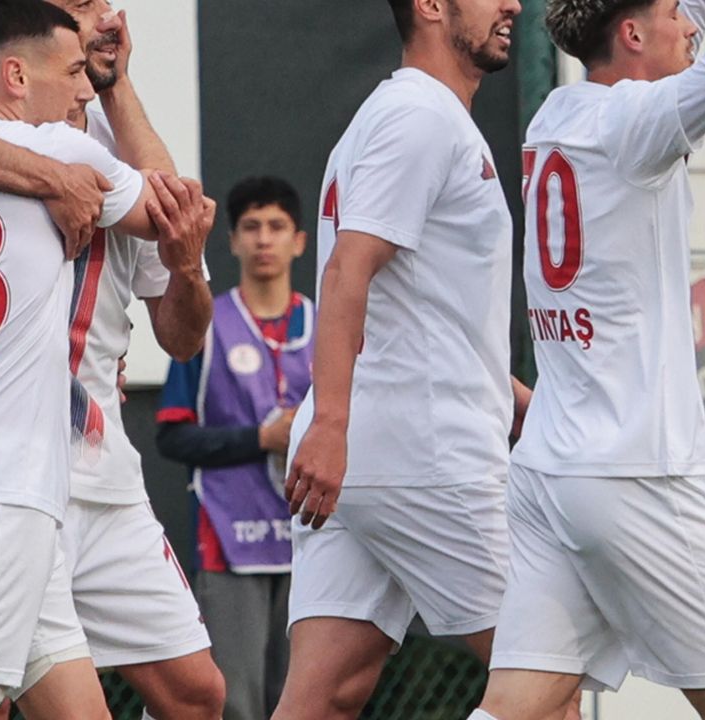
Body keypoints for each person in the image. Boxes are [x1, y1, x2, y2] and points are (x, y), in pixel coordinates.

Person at [0, 3, 227, 718]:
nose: (106, 19)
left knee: (166, 698)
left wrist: (84, 133)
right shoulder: (43, 142)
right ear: (19, 66)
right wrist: (56, 174)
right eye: (80, 10)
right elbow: (175, 207)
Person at [469, 0, 705, 716]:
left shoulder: (558, 114)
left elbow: (682, 26)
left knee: (515, 707)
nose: (691, 27)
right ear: (632, 34)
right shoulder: (633, 122)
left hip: (553, 470)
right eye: (675, 13)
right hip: (636, 473)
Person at [272, 2, 570, 719]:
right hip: (425, 456)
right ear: (432, 6)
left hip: (368, 456)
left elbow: (416, 312)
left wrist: (521, 402)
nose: (513, 5)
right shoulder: (420, 117)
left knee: (323, 699)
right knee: (549, 682)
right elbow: (349, 270)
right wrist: (331, 424)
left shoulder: (401, 115)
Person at [156, 176, 313, 720]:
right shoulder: (207, 325)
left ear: (299, 241)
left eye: (276, 227)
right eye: (251, 227)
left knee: (303, 704)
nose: (263, 239)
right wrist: (260, 439)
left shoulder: (326, 326)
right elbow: (172, 434)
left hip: (312, 542)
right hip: (231, 539)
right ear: (232, 241)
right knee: (236, 704)